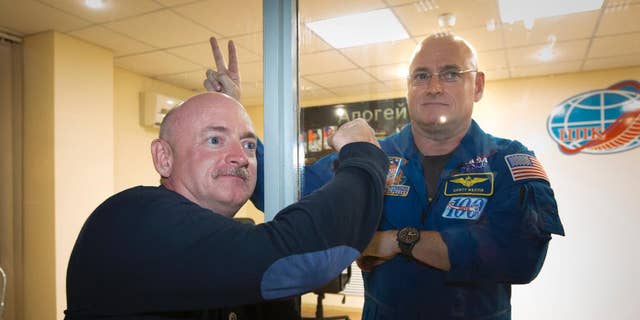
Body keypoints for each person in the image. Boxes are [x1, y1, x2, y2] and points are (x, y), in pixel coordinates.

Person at [206, 34, 565, 319]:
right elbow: (285, 191)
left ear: (479, 86)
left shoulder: (507, 160)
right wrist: (234, 112)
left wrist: (397, 240)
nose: (434, 86)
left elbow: (519, 257)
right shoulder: (372, 158)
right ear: (408, 87)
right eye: (421, 75)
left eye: (452, 74)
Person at [64, 92, 389, 319]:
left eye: (248, 144)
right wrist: (362, 154)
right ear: (164, 158)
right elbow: (300, 257)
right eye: (215, 140)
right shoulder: (131, 221)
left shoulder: (235, 239)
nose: (240, 157)